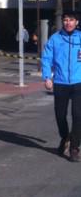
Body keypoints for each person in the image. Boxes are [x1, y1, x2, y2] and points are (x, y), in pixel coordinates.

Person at [41, 11, 81, 161]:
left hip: (79, 83)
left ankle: (75, 147)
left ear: (76, 22)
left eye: (71, 20)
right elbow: (46, 59)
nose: (68, 23)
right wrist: (47, 77)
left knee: (78, 116)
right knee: (60, 115)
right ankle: (65, 137)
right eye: (65, 20)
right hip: (60, 82)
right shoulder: (55, 39)